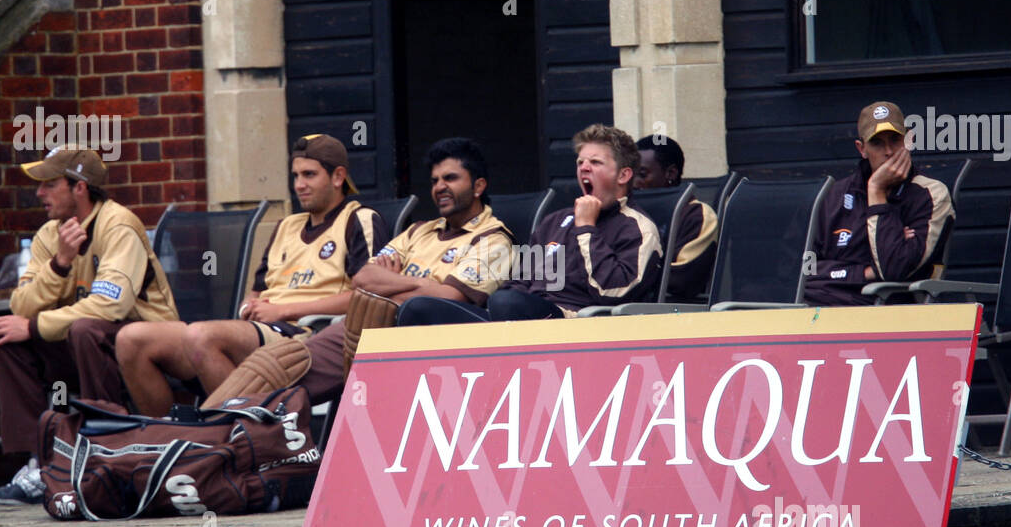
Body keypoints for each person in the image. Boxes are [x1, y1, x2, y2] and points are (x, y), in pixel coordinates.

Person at [201, 137, 514, 408]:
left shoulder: (493, 239)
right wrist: (418, 285)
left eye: (450, 178)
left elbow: (449, 298)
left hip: (415, 343)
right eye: (434, 181)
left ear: (478, 186)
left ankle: (214, 436)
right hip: (364, 326)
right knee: (271, 364)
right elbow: (364, 278)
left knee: (282, 377)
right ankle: (203, 430)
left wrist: (393, 283)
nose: (439, 187)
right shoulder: (419, 230)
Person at [115, 133, 386, 416]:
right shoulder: (286, 226)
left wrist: (283, 311)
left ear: (338, 176)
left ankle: (244, 438)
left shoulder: (359, 219)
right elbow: (257, 290)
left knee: (202, 336)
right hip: (261, 329)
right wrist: (249, 306)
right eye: (295, 176)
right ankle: (169, 438)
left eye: (309, 175)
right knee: (132, 340)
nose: (299, 185)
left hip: (306, 336)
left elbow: (368, 298)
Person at [0, 145, 178, 505]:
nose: (39, 193)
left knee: (85, 328)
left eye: (49, 184)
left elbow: (110, 305)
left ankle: (103, 450)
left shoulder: (118, 225)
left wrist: (36, 327)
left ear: (79, 187)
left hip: (146, 343)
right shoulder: (49, 236)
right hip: (81, 344)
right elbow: (20, 304)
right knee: (5, 335)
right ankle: (41, 465)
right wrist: (60, 264)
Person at [397, 124, 662, 324]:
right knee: (418, 308)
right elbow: (520, 282)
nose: (584, 168)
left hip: (577, 324)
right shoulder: (555, 221)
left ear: (624, 174)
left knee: (508, 302)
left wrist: (586, 229)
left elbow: (613, 292)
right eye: (580, 162)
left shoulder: (637, 228)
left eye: (595, 162)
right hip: (520, 316)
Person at [804, 101, 954, 306]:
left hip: (887, 311)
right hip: (820, 305)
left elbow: (893, 269)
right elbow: (797, 268)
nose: (889, 151)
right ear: (862, 149)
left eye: (895, 140)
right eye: (877, 143)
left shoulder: (931, 194)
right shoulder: (835, 194)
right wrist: (865, 272)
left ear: (909, 141)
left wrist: (876, 190)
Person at [632, 133, 718, 302]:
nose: (633, 183)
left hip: (665, 313)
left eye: (642, 174)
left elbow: (682, 281)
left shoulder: (697, 216)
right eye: (629, 174)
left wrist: (622, 276)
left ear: (670, 173)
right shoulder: (625, 213)